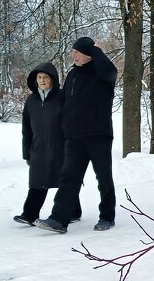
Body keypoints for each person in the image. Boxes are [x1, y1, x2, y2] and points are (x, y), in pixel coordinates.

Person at [35, 36, 118, 234]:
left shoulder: (102, 74)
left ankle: (107, 217)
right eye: (73, 51)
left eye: (78, 52)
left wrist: (98, 51)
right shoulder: (73, 75)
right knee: (68, 178)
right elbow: (64, 103)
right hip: (74, 137)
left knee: (103, 178)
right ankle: (58, 219)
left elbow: (110, 71)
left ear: (90, 55)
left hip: (98, 135)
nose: (74, 55)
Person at [14, 63, 81, 226]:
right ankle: (29, 214)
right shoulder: (31, 101)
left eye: (45, 77)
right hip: (38, 149)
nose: (42, 80)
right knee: (37, 181)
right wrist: (26, 153)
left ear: (52, 80)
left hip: (61, 148)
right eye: (39, 77)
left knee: (64, 181)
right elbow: (26, 129)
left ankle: (74, 211)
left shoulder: (62, 97)